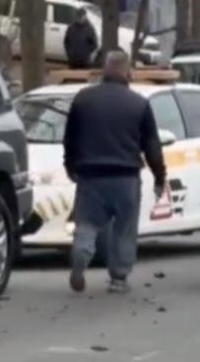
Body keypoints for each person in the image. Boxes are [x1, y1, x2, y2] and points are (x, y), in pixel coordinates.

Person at [62, 49, 167, 294]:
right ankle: (119, 278)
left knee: (87, 222)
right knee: (124, 229)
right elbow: (152, 146)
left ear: (104, 70)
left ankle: (82, 250)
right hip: (126, 177)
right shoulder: (139, 104)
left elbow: (70, 138)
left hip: (91, 176)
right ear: (127, 72)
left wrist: (70, 166)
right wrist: (160, 177)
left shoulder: (83, 100)